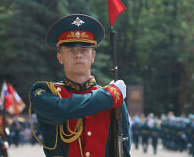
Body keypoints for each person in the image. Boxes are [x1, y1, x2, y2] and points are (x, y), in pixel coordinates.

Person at [29, 14, 131, 157]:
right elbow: (60, 110)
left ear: (93, 56)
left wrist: (111, 95)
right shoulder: (44, 92)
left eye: (84, 50)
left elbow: (124, 149)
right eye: (71, 50)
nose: (78, 55)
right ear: (60, 57)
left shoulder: (113, 97)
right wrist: (109, 96)